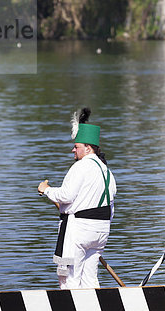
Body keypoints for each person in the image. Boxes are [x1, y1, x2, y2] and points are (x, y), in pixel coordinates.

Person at [38, 108, 117, 289]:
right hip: (101, 231)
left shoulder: (80, 167)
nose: (73, 149)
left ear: (88, 148)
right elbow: (110, 206)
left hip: (78, 230)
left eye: (77, 146)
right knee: (90, 280)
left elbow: (65, 195)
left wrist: (47, 190)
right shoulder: (108, 172)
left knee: (68, 279)